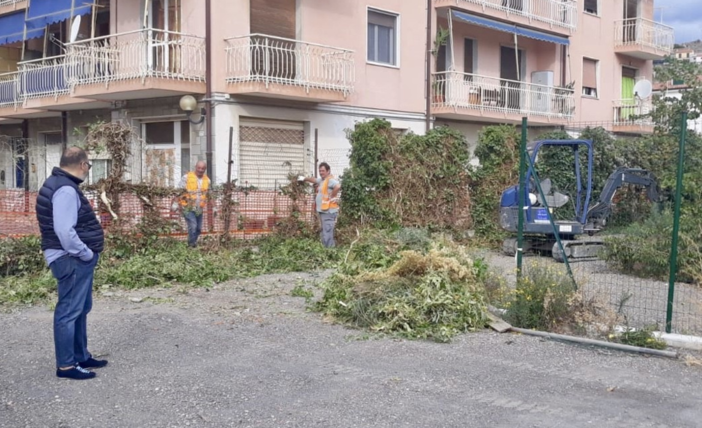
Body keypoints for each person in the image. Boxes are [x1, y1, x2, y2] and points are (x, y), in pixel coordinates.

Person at [36, 147, 107, 380]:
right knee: (69, 311)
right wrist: (85, 253)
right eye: (89, 165)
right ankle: (66, 365)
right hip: (71, 259)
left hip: (69, 258)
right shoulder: (65, 189)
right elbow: (64, 231)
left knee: (80, 309)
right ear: (83, 164)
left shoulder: (58, 183)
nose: (88, 170)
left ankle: (80, 355)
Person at [299, 162, 341, 248]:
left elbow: (338, 186)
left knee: (327, 231)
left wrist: (332, 195)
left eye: (323, 171)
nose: (321, 172)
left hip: (328, 211)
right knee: (325, 231)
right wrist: (304, 178)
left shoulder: (330, 180)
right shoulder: (322, 180)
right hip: (323, 211)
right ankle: (326, 249)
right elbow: (314, 180)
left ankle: (330, 251)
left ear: (328, 171)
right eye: (320, 171)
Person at [172, 161, 210, 247]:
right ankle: (191, 246)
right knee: (193, 226)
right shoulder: (186, 177)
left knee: (198, 229)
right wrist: (175, 203)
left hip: (199, 208)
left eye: (202, 168)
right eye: (199, 168)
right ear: (195, 167)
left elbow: (209, 194)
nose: (200, 170)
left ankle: (193, 242)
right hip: (187, 207)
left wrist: (214, 207)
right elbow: (179, 191)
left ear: (205, 169)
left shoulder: (207, 180)